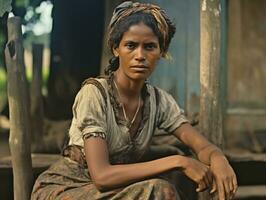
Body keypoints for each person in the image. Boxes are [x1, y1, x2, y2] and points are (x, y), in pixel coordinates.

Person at [31, 1, 237, 200]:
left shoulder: (158, 101)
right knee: (159, 190)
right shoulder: (94, 94)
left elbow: (202, 147)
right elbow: (101, 177)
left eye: (150, 47)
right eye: (130, 45)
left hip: (120, 191)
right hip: (69, 188)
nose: (140, 55)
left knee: (181, 181)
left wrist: (218, 159)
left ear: (161, 52)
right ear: (115, 48)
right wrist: (178, 161)